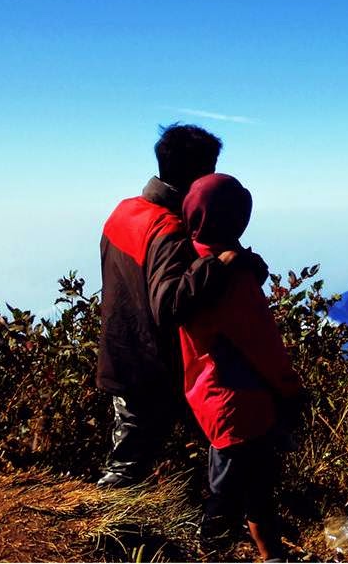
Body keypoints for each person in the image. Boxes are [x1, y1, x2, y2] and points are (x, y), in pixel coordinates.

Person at [96, 124, 267, 488]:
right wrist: (222, 263)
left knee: (133, 453)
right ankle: (97, 538)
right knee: (128, 468)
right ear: (197, 173)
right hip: (151, 368)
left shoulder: (124, 212)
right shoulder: (168, 229)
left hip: (121, 353)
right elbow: (169, 304)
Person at [179, 173, 303, 561]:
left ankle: (270, 556)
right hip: (241, 403)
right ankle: (218, 552)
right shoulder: (234, 279)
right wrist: (291, 390)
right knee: (240, 492)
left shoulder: (190, 262)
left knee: (239, 486)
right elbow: (262, 343)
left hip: (207, 394)